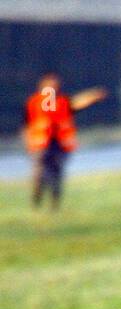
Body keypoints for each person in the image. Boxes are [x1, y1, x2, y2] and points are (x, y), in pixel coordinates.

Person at [24, 73, 105, 211]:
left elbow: (76, 103)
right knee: (40, 175)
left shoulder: (62, 102)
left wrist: (92, 97)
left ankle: (54, 206)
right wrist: (28, 143)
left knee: (57, 176)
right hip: (41, 144)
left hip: (59, 144)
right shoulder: (34, 102)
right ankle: (36, 202)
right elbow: (26, 125)